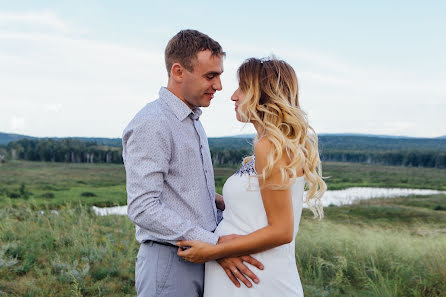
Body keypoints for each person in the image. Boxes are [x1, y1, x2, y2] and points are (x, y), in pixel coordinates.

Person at [122, 30, 263, 297]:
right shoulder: (154, 122)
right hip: (171, 262)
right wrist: (214, 243)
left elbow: (184, 195)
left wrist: (231, 204)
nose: (219, 86)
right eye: (210, 76)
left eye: (219, 75)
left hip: (200, 258)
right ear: (178, 72)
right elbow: (142, 207)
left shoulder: (192, 122)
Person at [177, 57, 327, 296]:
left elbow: (282, 231)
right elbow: (259, 209)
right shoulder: (271, 147)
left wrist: (212, 251)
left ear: (264, 94)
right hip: (248, 278)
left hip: (255, 280)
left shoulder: (269, 147)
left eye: (243, 88)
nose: (234, 96)